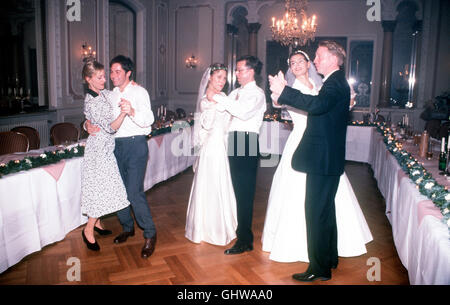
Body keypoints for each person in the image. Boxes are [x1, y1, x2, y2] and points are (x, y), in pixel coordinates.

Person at [262, 50, 372, 264]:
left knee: (322, 204)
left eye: (300, 61)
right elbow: (279, 103)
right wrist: (280, 92)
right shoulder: (293, 89)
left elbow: (325, 106)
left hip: (322, 146)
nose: (296, 66)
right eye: (292, 63)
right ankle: (302, 247)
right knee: (304, 200)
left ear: (308, 64)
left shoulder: (323, 85)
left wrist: (347, 103)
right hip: (302, 144)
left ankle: (324, 254)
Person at [269, 40, 351, 282]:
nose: (315, 61)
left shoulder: (334, 83)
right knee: (325, 211)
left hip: (322, 159)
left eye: (319, 56)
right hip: (326, 158)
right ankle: (329, 259)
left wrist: (284, 91)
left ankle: (319, 268)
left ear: (334, 59)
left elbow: (315, 105)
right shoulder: (335, 82)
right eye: (314, 57)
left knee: (315, 212)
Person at [85, 55, 156, 259]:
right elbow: (94, 112)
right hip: (115, 146)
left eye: (117, 72)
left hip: (136, 145)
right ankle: (127, 227)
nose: (112, 75)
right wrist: (86, 125)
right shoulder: (109, 94)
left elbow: (149, 120)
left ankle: (150, 234)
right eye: (111, 71)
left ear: (128, 73)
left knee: (134, 192)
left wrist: (132, 111)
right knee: (120, 191)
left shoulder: (139, 91)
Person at [207, 55, 266, 255]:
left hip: (246, 141)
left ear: (251, 71)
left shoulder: (257, 94)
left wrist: (217, 97)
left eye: (240, 70)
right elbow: (222, 110)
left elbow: (242, 112)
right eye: (238, 70)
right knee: (235, 189)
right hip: (233, 140)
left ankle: (245, 240)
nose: (237, 74)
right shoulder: (235, 93)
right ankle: (238, 231)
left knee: (244, 192)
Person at [81, 60, 131, 251]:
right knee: (103, 187)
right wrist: (124, 114)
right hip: (99, 151)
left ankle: (98, 222)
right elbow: (110, 128)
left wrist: (129, 83)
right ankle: (88, 229)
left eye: (104, 76)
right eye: (99, 77)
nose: (104, 80)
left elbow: (115, 93)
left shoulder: (102, 93)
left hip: (104, 148)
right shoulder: (92, 101)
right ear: (88, 79)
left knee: (100, 187)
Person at [185, 63, 237, 246]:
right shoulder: (206, 100)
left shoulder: (222, 96)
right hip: (212, 146)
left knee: (219, 181)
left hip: (220, 144)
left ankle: (221, 224)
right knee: (212, 183)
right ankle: (209, 229)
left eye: (224, 78)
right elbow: (206, 125)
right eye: (218, 77)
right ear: (210, 78)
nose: (222, 81)